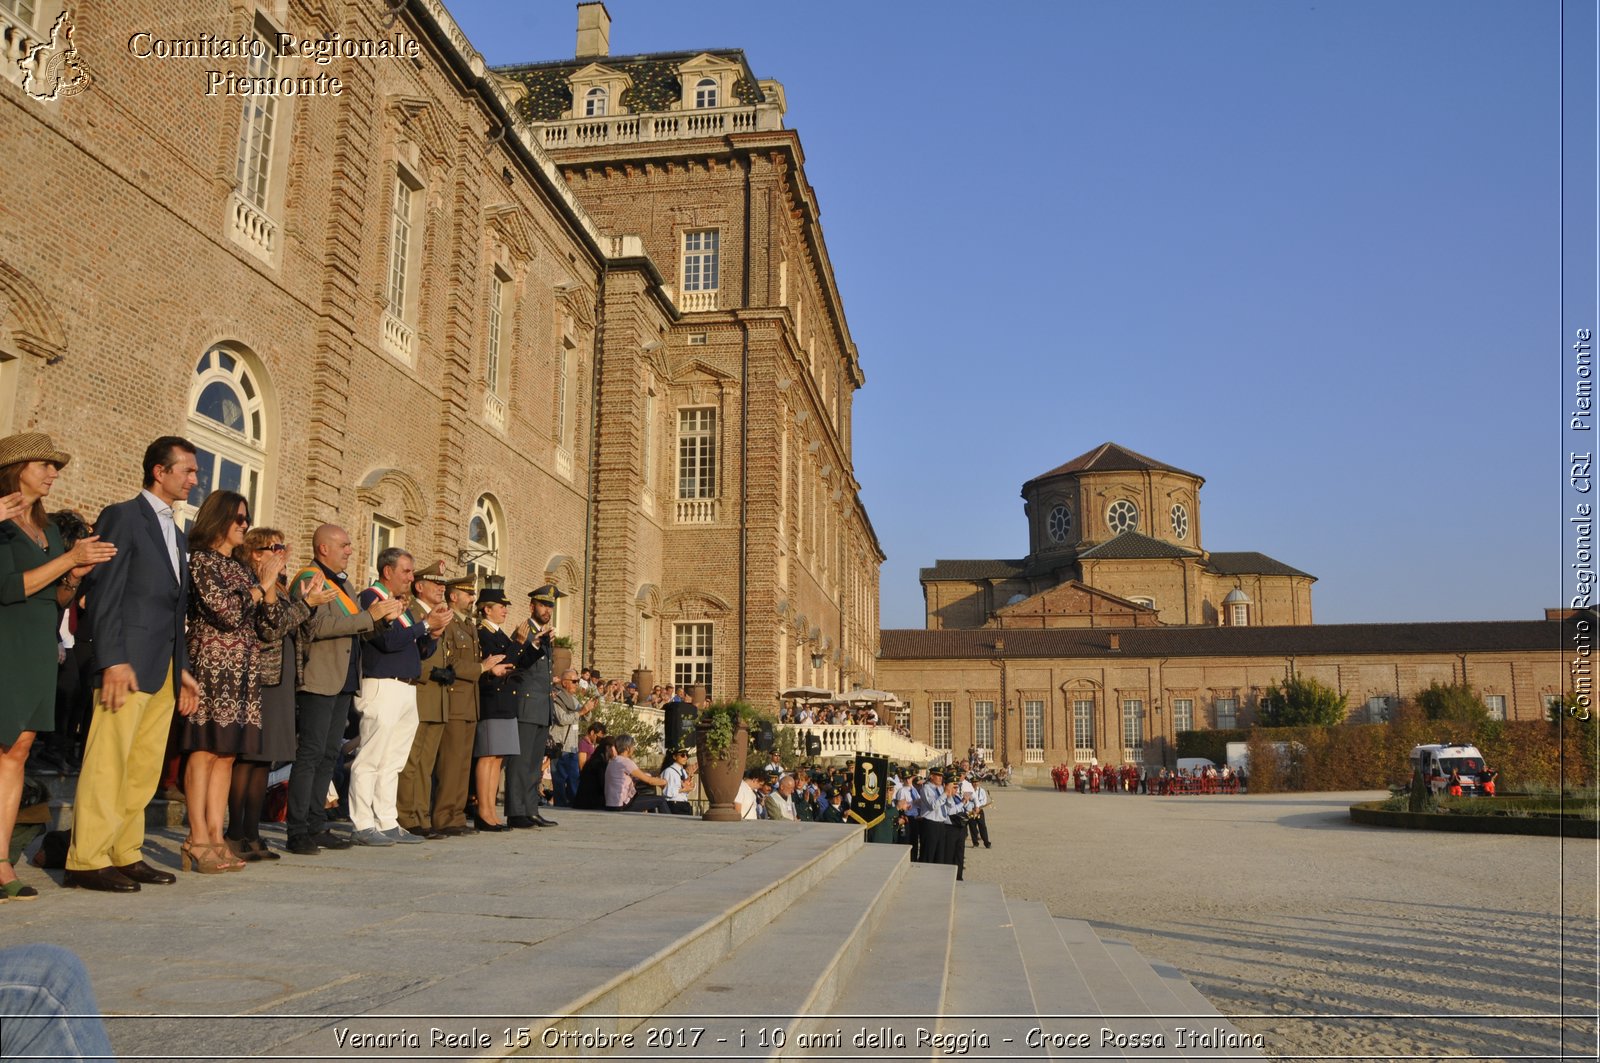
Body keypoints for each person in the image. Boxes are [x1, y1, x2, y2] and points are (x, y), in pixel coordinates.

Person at [67, 436, 202, 893]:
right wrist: (112, 660)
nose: (194, 479)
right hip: (124, 663)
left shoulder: (178, 533)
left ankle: (124, 852)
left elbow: (173, 608)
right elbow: (104, 593)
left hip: (161, 666)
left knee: (143, 767)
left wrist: (180, 667)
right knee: (108, 761)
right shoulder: (122, 517)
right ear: (159, 472)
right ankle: (87, 858)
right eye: (187, 470)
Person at [0, 434, 116, 901]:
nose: (53, 473)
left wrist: (73, 576)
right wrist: (69, 559)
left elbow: (54, 601)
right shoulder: (2, 523)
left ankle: (2, 863)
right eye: (45, 465)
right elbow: (9, 588)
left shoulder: (46, 530)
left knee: (18, 753)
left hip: (34, 645)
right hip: (5, 642)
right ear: (16, 468)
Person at [179, 491, 296, 873]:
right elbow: (225, 612)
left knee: (227, 754)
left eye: (247, 519)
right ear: (219, 520)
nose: (245, 525)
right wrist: (261, 589)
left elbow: (270, 626)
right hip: (210, 668)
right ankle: (196, 837)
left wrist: (270, 589)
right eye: (239, 519)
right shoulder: (202, 562)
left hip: (245, 672)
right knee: (204, 751)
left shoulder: (245, 570)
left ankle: (216, 835)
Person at [284, 524, 403, 856]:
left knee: (328, 755)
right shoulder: (309, 578)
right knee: (309, 754)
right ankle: (297, 830)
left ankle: (317, 823)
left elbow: (356, 629)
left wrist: (382, 619)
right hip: (319, 676)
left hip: (343, 679)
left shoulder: (344, 583)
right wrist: (369, 616)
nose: (351, 550)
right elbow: (315, 626)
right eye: (344, 545)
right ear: (324, 548)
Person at [225, 527, 329, 861]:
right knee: (249, 758)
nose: (283, 552)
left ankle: (253, 833)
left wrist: (308, 604)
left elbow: (301, 630)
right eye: (276, 547)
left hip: (282, 678)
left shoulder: (281, 587)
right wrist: (303, 606)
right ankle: (236, 832)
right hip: (260, 678)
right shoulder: (249, 583)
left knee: (265, 759)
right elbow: (269, 628)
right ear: (256, 552)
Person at [348, 548, 449, 846]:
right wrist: (425, 625)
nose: (410, 577)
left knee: (394, 760)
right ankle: (362, 822)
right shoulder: (372, 597)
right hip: (382, 684)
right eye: (405, 571)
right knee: (371, 756)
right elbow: (386, 641)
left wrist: (432, 634)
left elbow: (417, 650)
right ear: (387, 571)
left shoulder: (400, 606)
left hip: (406, 686)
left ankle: (387, 819)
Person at [431, 576, 504, 836]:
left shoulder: (469, 626)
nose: (472, 598)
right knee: (449, 764)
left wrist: (486, 669)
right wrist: (482, 667)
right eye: (467, 594)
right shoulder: (448, 624)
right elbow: (449, 663)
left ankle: (456, 816)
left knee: (462, 765)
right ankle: (443, 817)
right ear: (453, 596)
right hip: (454, 701)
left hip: (470, 703)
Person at [505, 585, 561, 829]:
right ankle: (516, 811)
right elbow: (515, 663)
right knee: (521, 761)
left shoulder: (546, 635)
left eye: (550, 606)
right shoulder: (524, 632)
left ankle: (530, 808)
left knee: (534, 762)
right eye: (543, 605)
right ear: (532, 606)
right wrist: (535, 645)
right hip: (526, 704)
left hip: (541, 707)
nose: (547, 610)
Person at [472, 585, 522, 831]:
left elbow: (516, 660)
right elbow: (504, 659)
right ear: (486, 609)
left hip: (505, 700)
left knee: (498, 757)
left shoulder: (501, 635)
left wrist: (527, 645)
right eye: (501, 606)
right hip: (491, 697)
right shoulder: (482, 632)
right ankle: (483, 811)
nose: (505, 611)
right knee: (488, 755)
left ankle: (491, 810)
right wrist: (519, 643)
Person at [549, 669, 598, 807]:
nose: (577, 684)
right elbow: (562, 719)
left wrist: (589, 708)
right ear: (565, 683)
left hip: (572, 746)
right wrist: (582, 711)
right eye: (574, 681)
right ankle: (560, 805)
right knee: (559, 779)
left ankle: (574, 803)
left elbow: (584, 717)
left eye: (577, 681)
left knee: (574, 779)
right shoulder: (557, 699)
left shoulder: (574, 700)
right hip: (560, 745)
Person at [603, 734, 670, 812]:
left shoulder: (613, 761)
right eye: (633, 746)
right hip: (622, 804)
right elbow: (649, 780)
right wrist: (665, 781)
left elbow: (637, 776)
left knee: (649, 799)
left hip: (610, 804)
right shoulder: (625, 762)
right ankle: (672, 824)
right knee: (661, 800)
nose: (634, 749)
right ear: (628, 748)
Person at [572, 735, 614, 810]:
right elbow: (603, 785)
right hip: (591, 804)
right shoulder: (599, 763)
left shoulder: (594, 760)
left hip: (582, 803)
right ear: (608, 748)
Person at [660, 747, 696, 814]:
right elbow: (667, 791)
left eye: (687, 755)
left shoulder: (683, 771)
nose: (685, 757)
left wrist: (690, 779)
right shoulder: (669, 771)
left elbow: (686, 786)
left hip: (684, 804)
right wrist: (683, 789)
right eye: (682, 755)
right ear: (674, 757)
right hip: (674, 804)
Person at [967, 777, 992, 849]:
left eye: (976, 782)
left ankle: (986, 842)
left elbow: (984, 801)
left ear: (978, 782)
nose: (975, 783)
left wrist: (978, 807)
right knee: (972, 827)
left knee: (982, 826)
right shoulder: (968, 791)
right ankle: (975, 843)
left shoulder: (982, 791)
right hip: (971, 810)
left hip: (980, 810)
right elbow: (967, 800)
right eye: (973, 782)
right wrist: (973, 808)